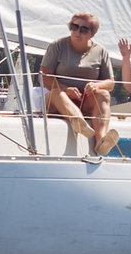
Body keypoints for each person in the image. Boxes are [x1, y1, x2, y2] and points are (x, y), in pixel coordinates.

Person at [40, 12, 119, 153]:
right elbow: (45, 77)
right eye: (74, 26)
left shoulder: (100, 51)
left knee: (104, 95)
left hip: (85, 100)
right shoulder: (57, 46)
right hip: (56, 100)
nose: (77, 32)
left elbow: (110, 83)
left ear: (92, 33)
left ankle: (101, 142)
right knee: (59, 94)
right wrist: (66, 89)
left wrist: (97, 85)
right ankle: (79, 121)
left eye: (84, 29)